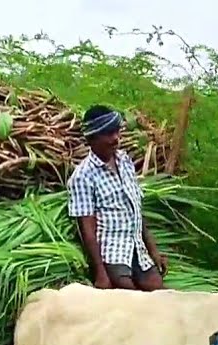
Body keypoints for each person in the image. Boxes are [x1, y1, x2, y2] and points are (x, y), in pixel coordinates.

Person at [66, 104, 167, 291]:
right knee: (130, 297)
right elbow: (87, 230)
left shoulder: (125, 161)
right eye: (108, 134)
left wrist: (153, 251)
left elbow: (136, 210)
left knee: (159, 290)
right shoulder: (83, 176)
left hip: (137, 249)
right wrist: (100, 273)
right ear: (92, 139)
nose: (115, 138)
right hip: (113, 253)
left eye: (116, 132)